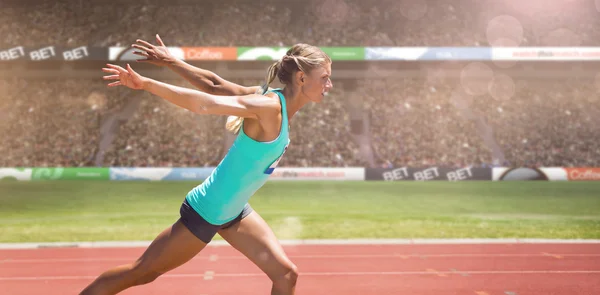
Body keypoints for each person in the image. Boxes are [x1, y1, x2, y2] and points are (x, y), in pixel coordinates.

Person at [80, 36, 333, 295]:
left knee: (286, 275)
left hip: (234, 211)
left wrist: (170, 61)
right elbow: (205, 103)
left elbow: (214, 84)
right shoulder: (268, 107)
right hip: (209, 210)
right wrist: (146, 83)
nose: (329, 84)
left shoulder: (272, 100)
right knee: (142, 272)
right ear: (301, 78)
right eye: (324, 77)